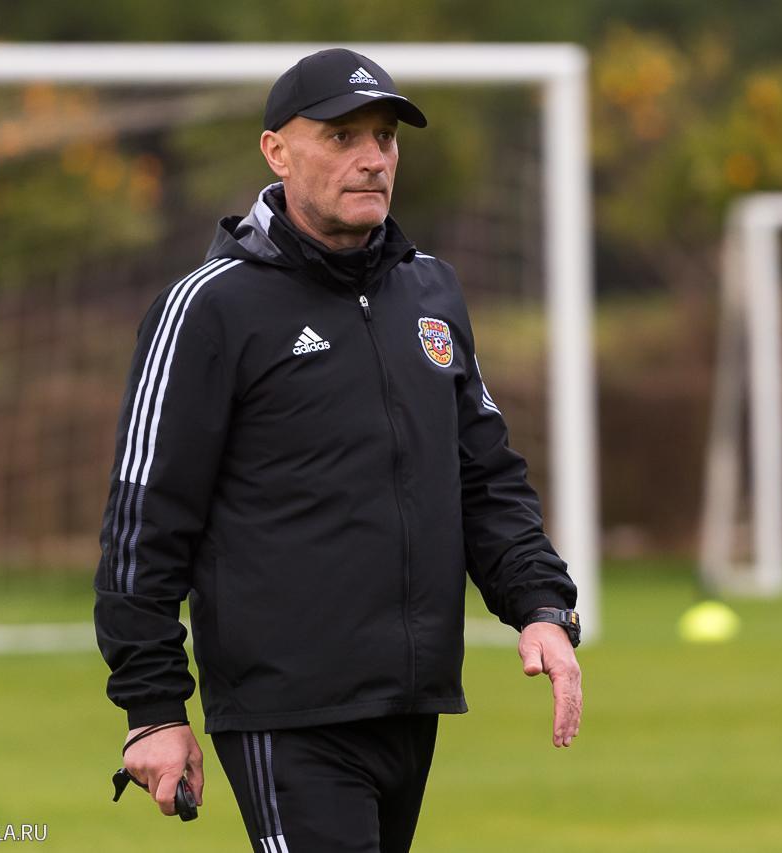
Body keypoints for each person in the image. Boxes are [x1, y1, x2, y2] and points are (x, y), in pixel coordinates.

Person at [93, 47, 582, 853]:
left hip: (411, 703)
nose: (373, 158)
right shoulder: (208, 308)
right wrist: (152, 707)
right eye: (342, 136)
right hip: (286, 711)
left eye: (385, 137)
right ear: (276, 151)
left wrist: (541, 606)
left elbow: (485, 478)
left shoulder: (430, 290)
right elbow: (146, 518)